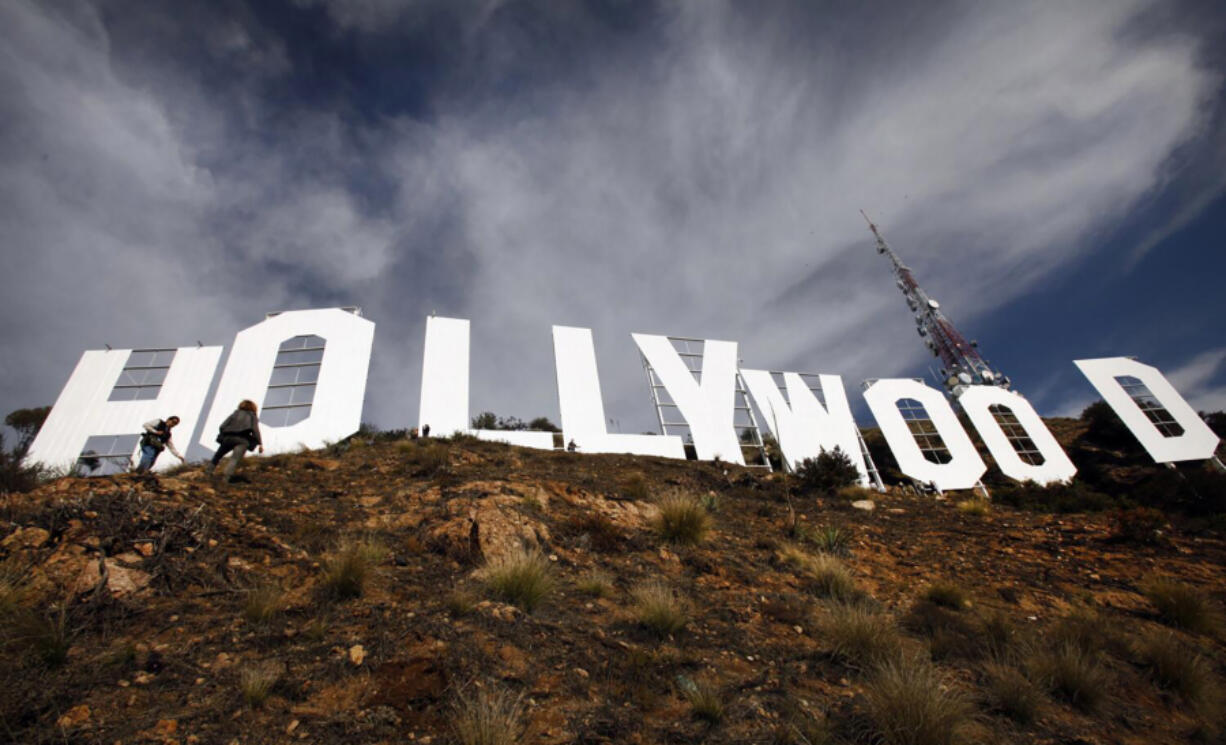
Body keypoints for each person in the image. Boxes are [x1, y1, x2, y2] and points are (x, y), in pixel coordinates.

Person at [207, 400, 264, 481]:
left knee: (217, 456)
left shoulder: (235, 414)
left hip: (228, 438)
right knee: (234, 459)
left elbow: (222, 426)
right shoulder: (252, 416)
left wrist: (224, 434)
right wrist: (260, 443)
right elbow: (255, 430)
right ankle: (225, 478)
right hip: (242, 440)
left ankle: (208, 473)